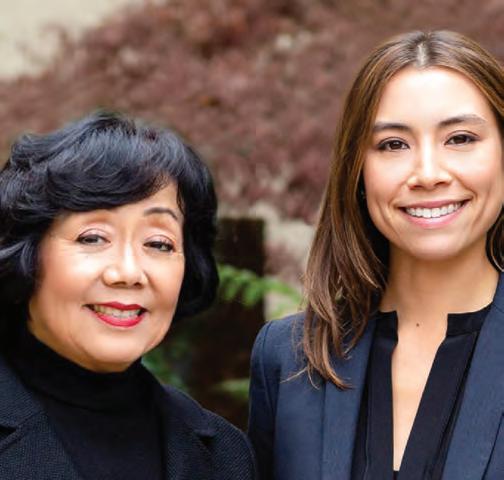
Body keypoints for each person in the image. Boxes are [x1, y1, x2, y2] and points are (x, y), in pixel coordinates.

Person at [248, 30, 503, 480]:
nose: (428, 173)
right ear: (358, 171)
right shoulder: (288, 359)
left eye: (460, 138)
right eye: (393, 145)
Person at [0, 112, 257, 479]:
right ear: (26, 252)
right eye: (93, 238)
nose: (128, 272)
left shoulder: (224, 456)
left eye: (158, 243)